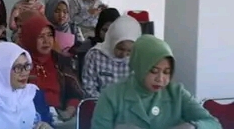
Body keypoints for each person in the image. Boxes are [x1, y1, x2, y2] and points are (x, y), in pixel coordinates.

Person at [91, 35, 220, 129]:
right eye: (153, 71)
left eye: (167, 72)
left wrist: (193, 126)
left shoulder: (177, 94)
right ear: (139, 66)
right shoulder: (112, 96)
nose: (160, 79)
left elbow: (213, 124)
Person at [21, 13, 83, 125]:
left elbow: (75, 93)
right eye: (40, 36)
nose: (46, 41)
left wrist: (69, 111)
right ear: (30, 38)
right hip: (30, 117)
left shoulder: (61, 61)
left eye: (49, 35)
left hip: (60, 116)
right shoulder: (20, 64)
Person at [82, 14, 141, 98]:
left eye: (129, 51)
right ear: (112, 41)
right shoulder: (95, 56)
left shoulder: (137, 58)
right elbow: (88, 87)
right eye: (120, 49)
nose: (124, 54)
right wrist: (106, 102)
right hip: (100, 102)